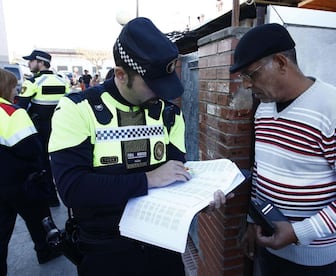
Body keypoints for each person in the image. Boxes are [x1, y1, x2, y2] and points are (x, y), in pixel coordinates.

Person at [48, 17, 231, 276]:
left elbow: (176, 176)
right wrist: (148, 179)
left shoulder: (169, 114)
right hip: (106, 252)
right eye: (153, 85)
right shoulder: (77, 109)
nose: (162, 94)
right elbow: (72, 188)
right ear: (122, 75)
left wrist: (201, 196)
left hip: (163, 249)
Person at [229, 23, 336, 276]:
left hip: (315, 261)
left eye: (251, 74)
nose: (247, 85)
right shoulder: (265, 109)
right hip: (269, 246)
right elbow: (262, 170)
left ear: (281, 62)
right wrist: (252, 220)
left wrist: (299, 233)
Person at [0, 69, 61, 275]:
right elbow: (31, 149)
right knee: (40, 221)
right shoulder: (13, 113)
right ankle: (47, 251)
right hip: (21, 182)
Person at [15, 50, 70, 207]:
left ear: (40, 62)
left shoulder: (32, 82)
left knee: (43, 164)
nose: (29, 64)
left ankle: (51, 198)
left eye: (31, 61)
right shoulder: (62, 81)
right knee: (61, 160)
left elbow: (21, 108)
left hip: (40, 129)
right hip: (61, 127)